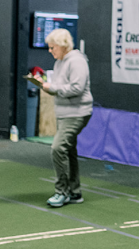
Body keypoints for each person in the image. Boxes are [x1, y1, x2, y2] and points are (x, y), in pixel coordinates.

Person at [40, 28, 93, 208]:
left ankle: (61, 192)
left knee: (57, 148)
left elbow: (77, 88)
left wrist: (52, 88)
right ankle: (75, 192)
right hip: (64, 113)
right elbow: (60, 85)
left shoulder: (77, 61)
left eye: (52, 47)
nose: (50, 50)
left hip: (77, 113)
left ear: (63, 46)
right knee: (69, 151)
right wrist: (46, 85)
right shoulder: (60, 62)